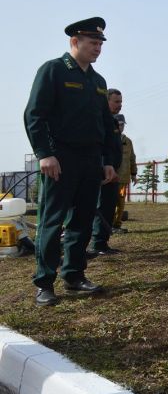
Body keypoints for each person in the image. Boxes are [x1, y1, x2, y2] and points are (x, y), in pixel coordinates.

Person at [24, 17, 117, 306]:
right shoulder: (53, 70)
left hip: (91, 159)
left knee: (82, 221)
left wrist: (108, 160)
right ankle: (45, 282)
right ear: (74, 42)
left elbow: (106, 123)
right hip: (60, 157)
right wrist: (45, 154)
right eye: (92, 43)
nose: (98, 48)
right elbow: (34, 115)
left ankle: (74, 274)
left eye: (100, 43)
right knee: (52, 221)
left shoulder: (98, 81)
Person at [89, 89, 123, 254]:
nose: (120, 105)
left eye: (120, 102)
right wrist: (105, 166)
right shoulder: (99, 120)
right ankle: (98, 242)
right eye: (116, 101)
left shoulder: (112, 121)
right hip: (102, 171)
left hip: (112, 170)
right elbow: (101, 147)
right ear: (106, 101)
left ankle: (103, 242)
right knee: (102, 206)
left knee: (109, 206)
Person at [112, 114, 137, 233]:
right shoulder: (109, 138)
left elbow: (132, 158)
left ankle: (117, 224)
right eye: (119, 124)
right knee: (110, 202)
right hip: (111, 179)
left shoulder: (128, 141)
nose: (121, 127)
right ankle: (108, 225)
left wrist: (134, 174)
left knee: (121, 202)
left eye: (122, 124)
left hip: (123, 179)